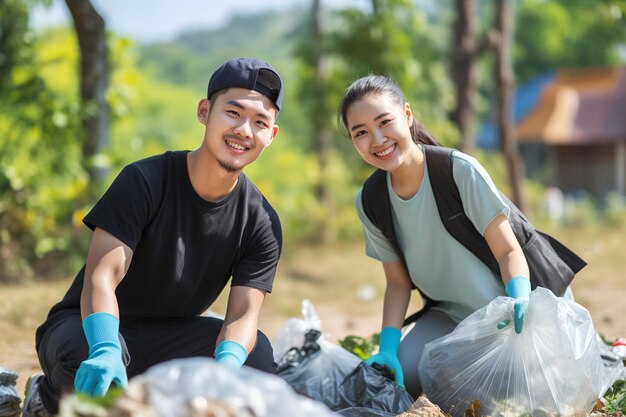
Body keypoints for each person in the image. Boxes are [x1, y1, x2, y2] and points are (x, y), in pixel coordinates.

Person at [22, 57, 284, 417]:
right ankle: (46, 398)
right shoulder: (145, 180)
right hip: (92, 325)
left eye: (259, 122)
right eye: (233, 113)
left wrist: (223, 374)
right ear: (205, 111)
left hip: (172, 335)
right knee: (83, 358)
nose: (244, 130)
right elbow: (102, 277)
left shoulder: (261, 221)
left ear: (271, 135)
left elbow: (242, 315)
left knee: (256, 356)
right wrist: (105, 349)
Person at [337, 74, 541, 399]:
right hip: (450, 314)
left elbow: (508, 251)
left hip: (506, 310)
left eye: (384, 122)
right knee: (409, 372)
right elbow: (398, 283)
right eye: (360, 132)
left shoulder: (458, 171)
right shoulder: (370, 200)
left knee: (514, 390)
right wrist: (387, 347)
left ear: (406, 115)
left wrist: (520, 299)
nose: (377, 140)